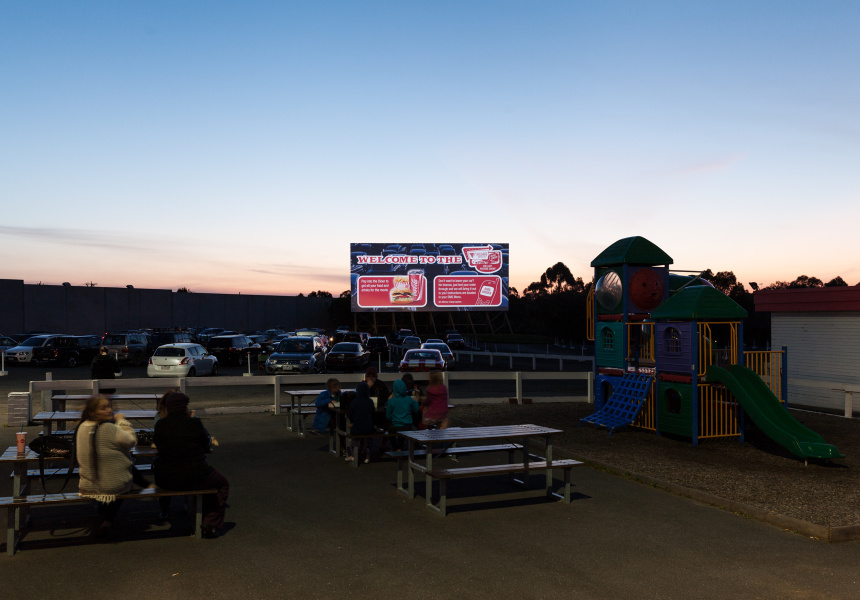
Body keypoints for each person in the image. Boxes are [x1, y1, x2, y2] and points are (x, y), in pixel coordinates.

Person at [153, 391, 229, 539]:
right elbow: (206, 443)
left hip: (166, 479)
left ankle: (167, 509)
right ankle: (211, 522)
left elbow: (158, 445)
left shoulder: (161, 425)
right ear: (185, 406)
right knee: (222, 484)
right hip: (195, 475)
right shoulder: (194, 423)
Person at [76, 394, 150, 539]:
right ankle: (107, 521)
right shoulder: (109, 428)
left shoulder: (82, 426)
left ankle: (104, 513)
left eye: (109, 406)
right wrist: (122, 421)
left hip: (87, 485)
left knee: (114, 470)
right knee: (122, 478)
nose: (109, 410)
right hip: (111, 486)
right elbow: (131, 441)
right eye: (103, 408)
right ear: (93, 412)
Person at [385, 379, 419, 451]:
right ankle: (401, 448)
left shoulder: (391, 401)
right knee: (404, 432)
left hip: (395, 425)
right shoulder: (409, 399)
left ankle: (396, 448)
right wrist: (415, 400)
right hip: (408, 425)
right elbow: (416, 410)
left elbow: (388, 416)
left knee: (389, 431)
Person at [346, 382, 375, 464]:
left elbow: (350, 414)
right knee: (369, 439)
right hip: (369, 427)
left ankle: (353, 455)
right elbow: (373, 414)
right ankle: (368, 456)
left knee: (353, 438)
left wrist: (352, 422)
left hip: (357, 427)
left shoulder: (354, 402)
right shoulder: (370, 401)